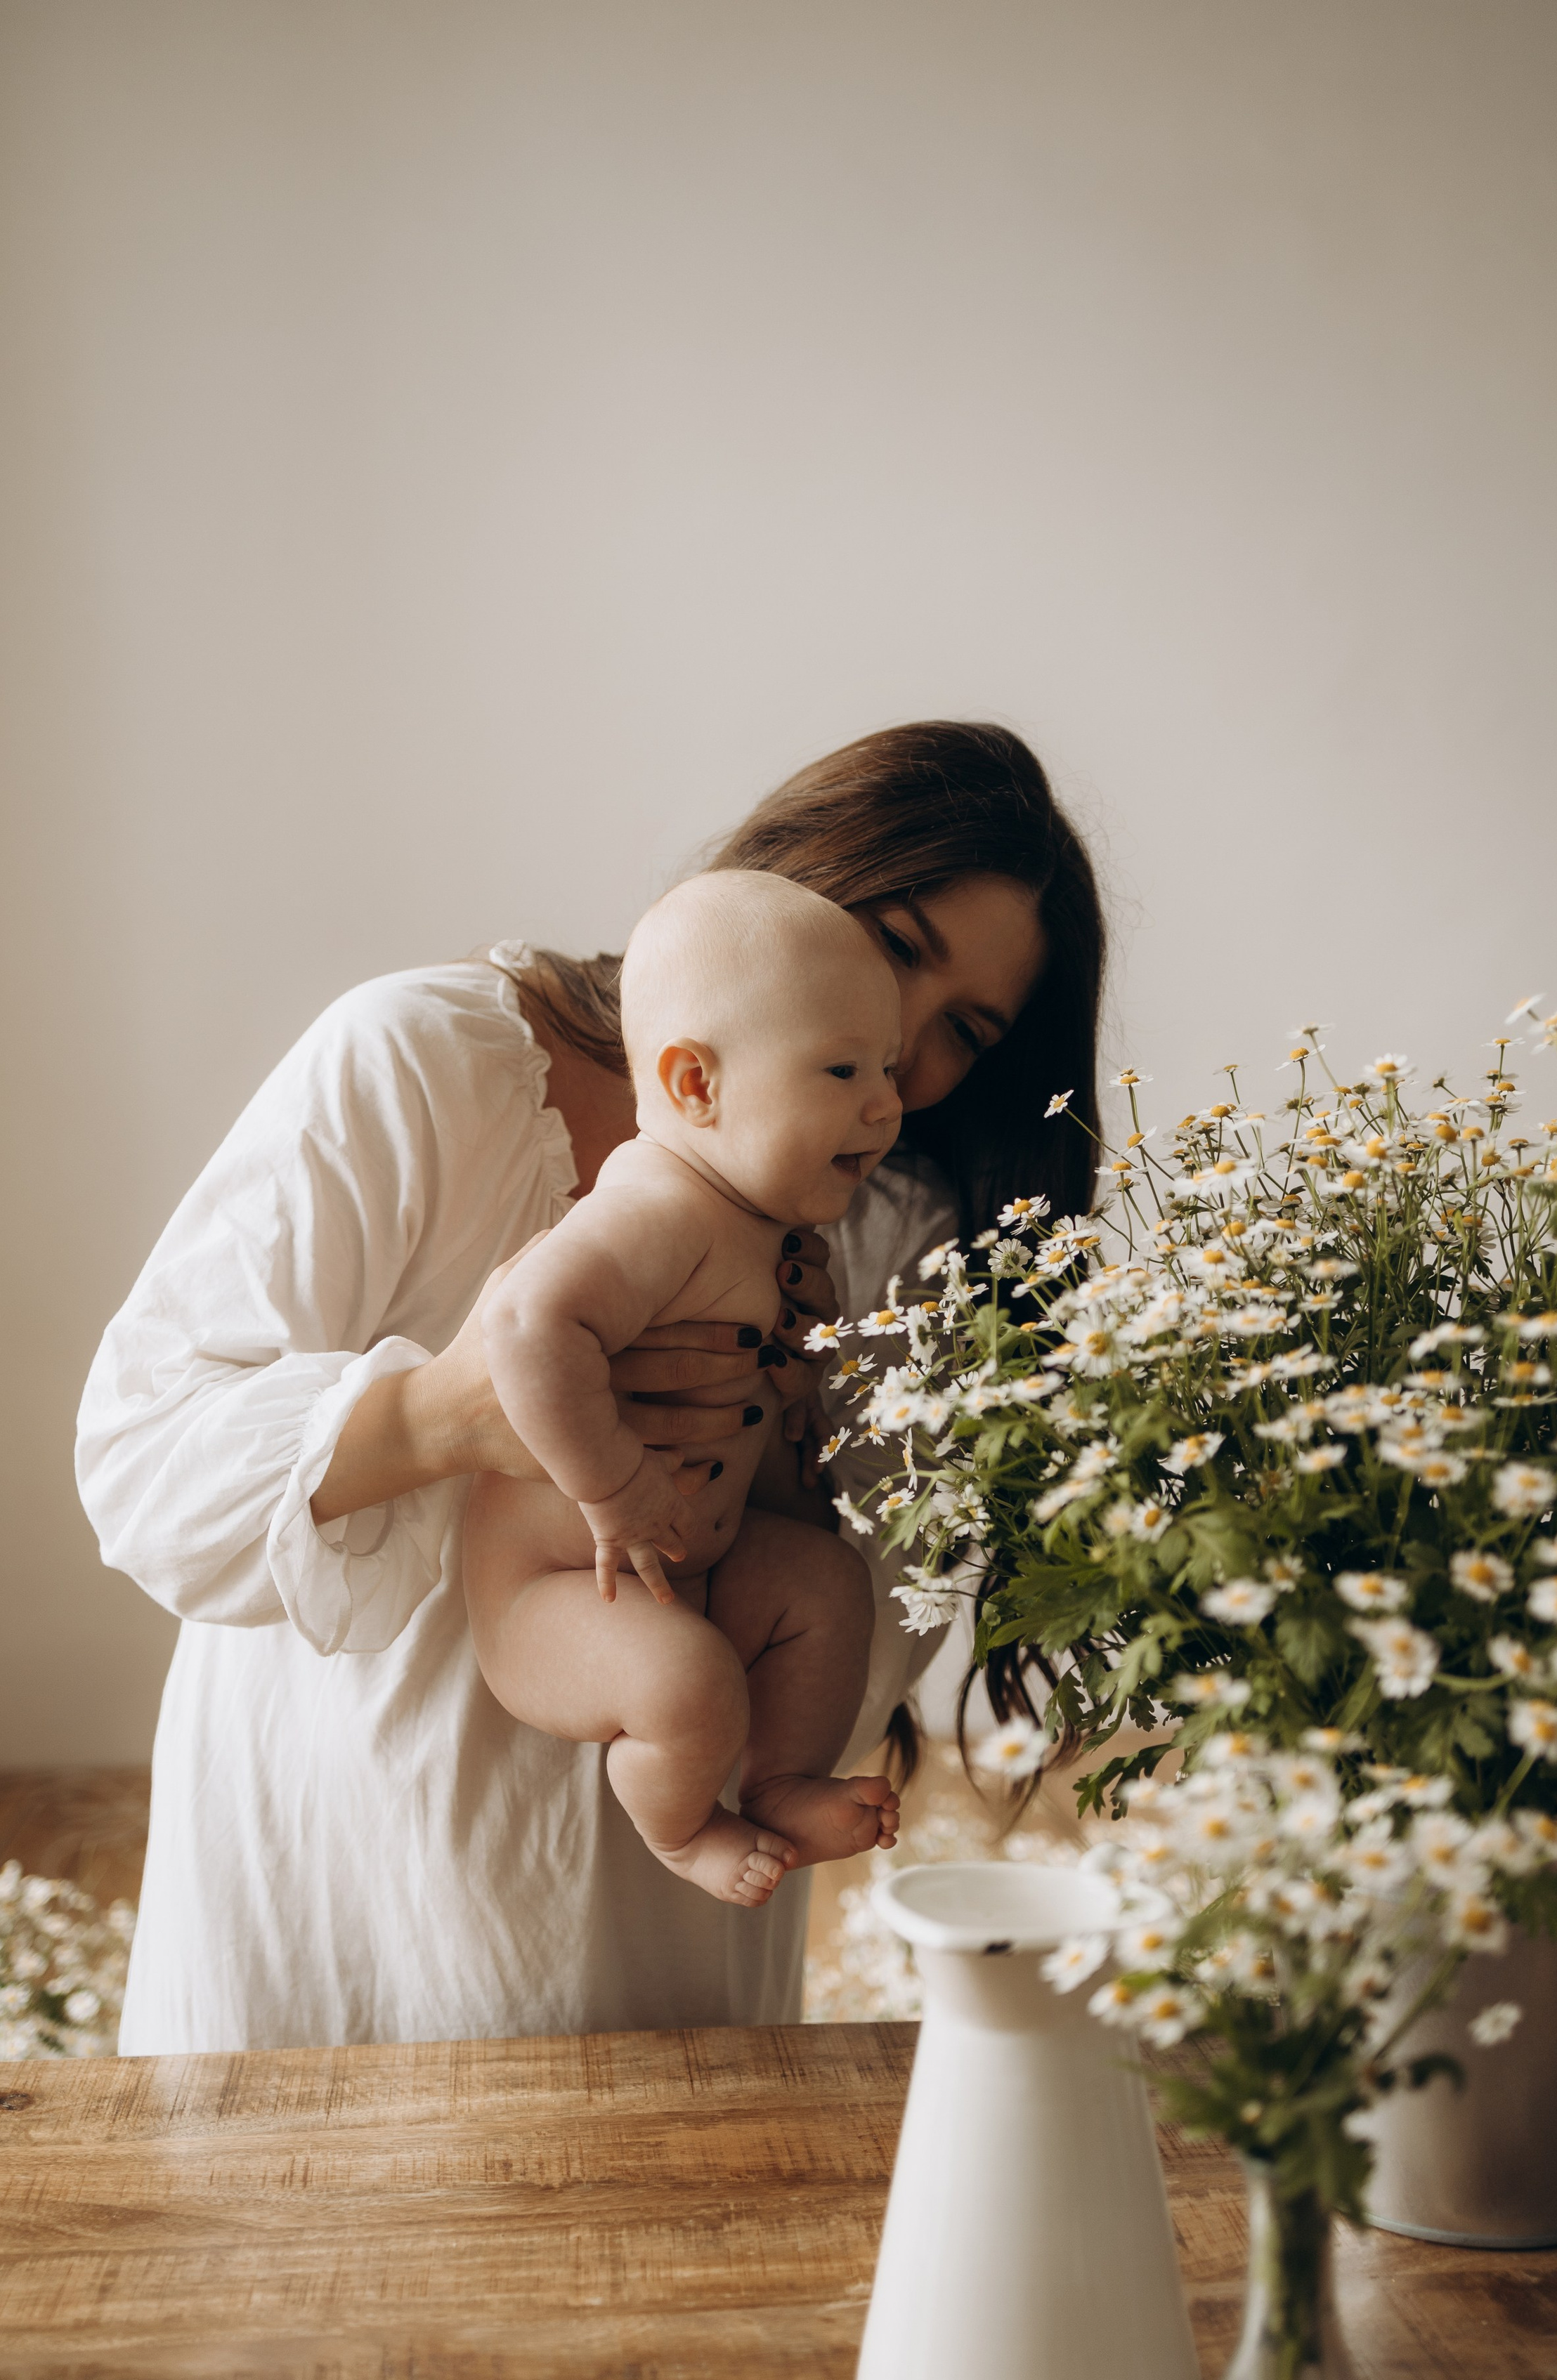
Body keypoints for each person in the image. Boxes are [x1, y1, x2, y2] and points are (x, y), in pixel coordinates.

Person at [77, 719, 1105, 2053]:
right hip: (353, 1892)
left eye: (967, 1030)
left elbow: (865, 1643)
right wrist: (453, 1418)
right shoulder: (427, 1060)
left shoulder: (889, 1217)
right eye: (902, 944)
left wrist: (793, 1470)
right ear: (793, 874)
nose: (901, 1046)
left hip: (670, 1916)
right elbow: (143, 1465)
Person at [467, 873, 903, 1906]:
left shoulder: (769, 1228)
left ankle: (782, 1778)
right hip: (563, 1588)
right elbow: (527, 1326)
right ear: (696, 1086)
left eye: (887, 1066)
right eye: (842, 1069)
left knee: (827, 1588)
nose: (886, 1103)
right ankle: (682, 1829)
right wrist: (613, 1490)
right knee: (686, 1679)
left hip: (687, 1561)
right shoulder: (656, 1205)